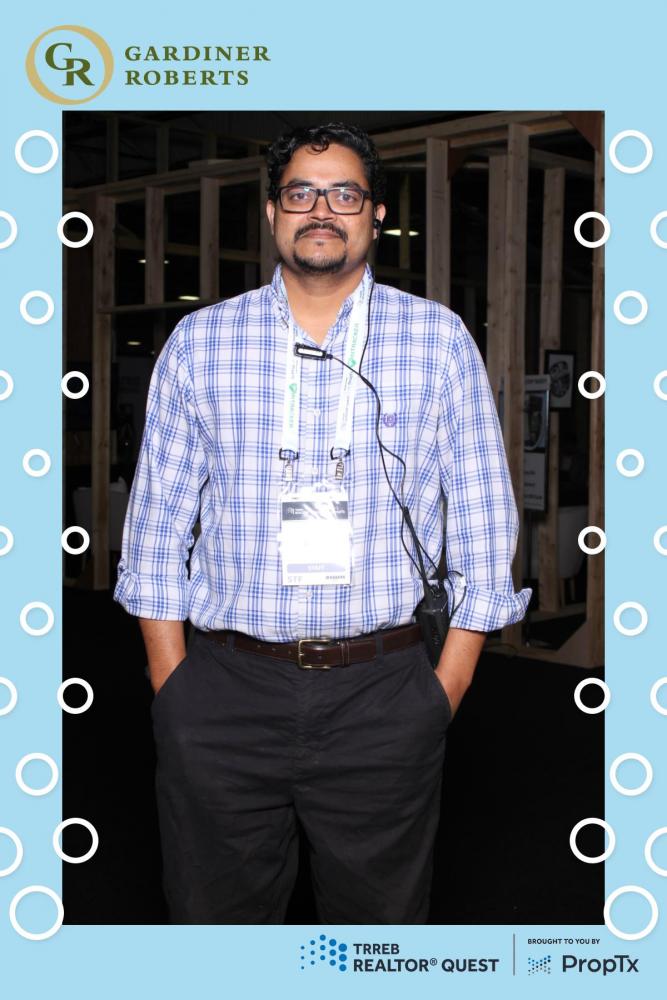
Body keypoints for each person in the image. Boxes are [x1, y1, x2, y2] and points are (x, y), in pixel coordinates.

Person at [114, 121, 530, 925]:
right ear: (273, 212)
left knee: (378, 935)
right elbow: (156, 528)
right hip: (224, 689)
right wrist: (176, 689)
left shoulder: (436, 340)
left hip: (382, 691)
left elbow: (483, 525)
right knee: (212, 929)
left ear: (375, 215)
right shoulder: (202, 342)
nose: (321, 210)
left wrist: (440, 693)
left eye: (344, 194)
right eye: (301, 192)